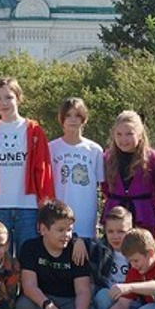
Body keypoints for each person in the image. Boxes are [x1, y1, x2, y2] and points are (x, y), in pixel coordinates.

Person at [0, 77, 54, 256]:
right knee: (0, 263)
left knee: (29, 261)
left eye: (8, 97)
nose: (4, 103)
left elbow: (44, 172)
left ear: (18, 98)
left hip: (28, 209)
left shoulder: (34, 130)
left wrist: (46, 212)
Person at [15, 199, 97, 309]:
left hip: (68, 304)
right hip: (41, 303)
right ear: (43, 229)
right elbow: (29, 286)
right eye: (60, 230)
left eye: (69, 230)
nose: (66, 235)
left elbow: (83, 290)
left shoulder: (77, 250)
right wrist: (49, 306)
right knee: (23, 307)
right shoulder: (31, 247)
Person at [48, 97, 104, 246]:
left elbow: (100, 185)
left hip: (85, 216)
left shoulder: (95, 150)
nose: (73, 120)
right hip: (58, 216)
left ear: (84, 119)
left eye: (77, 115)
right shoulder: (51, 148)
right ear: (61, 119)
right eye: (68, 115)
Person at [86, 206, 135, 309]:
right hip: (110, 301)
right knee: (100, 295)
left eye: (121, 231)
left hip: (134, 303)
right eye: (110, 231)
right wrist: (77, 241)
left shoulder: (139, 250)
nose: (115, 236)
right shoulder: (100, 249)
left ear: (131, 230)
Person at [100, 111, 155, 234]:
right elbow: (105, 187)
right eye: (119, 134)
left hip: (144, 215)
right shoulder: (107, 158)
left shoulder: (152, 158)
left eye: (129, 134)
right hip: (115, 215)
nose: (123, 139)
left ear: (139, 134)